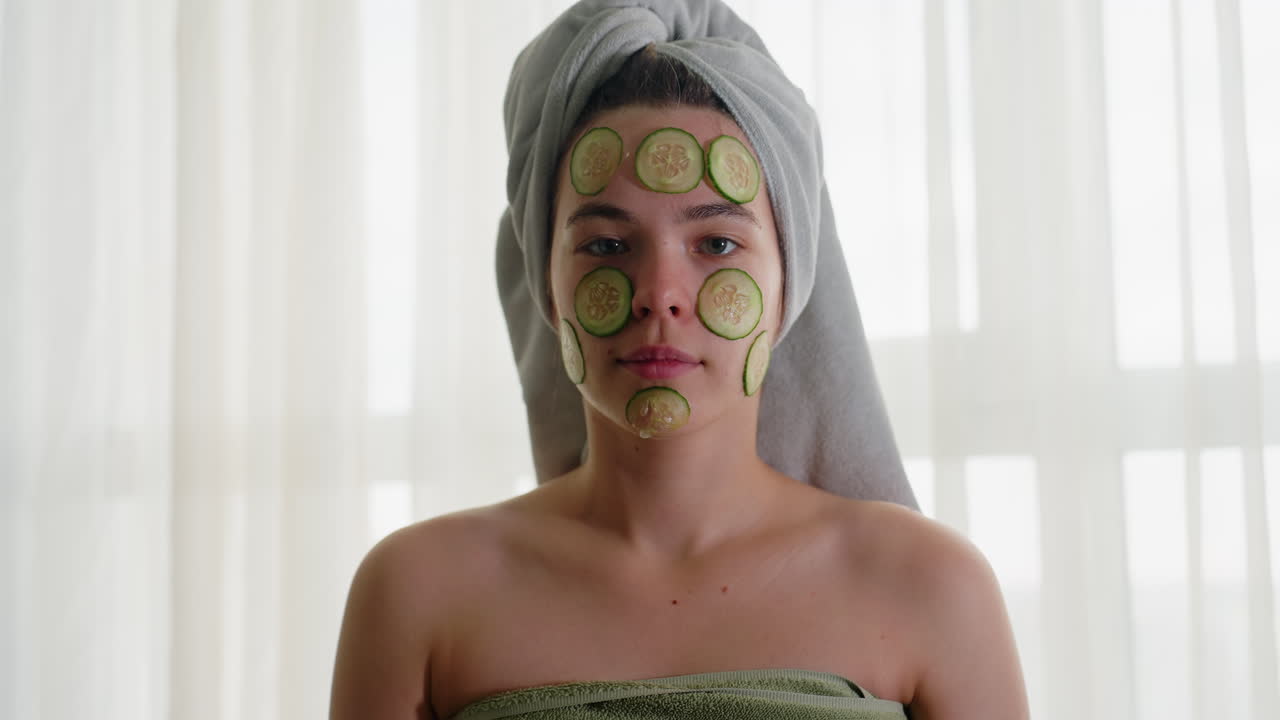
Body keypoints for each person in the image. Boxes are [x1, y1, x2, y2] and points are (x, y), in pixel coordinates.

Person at [330, 2, 1028, 718]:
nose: (659, 296)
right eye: (605, 244)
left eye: (717, 244)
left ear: (793, 278)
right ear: (546, 280)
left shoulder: (933, 589)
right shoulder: (418, 592)